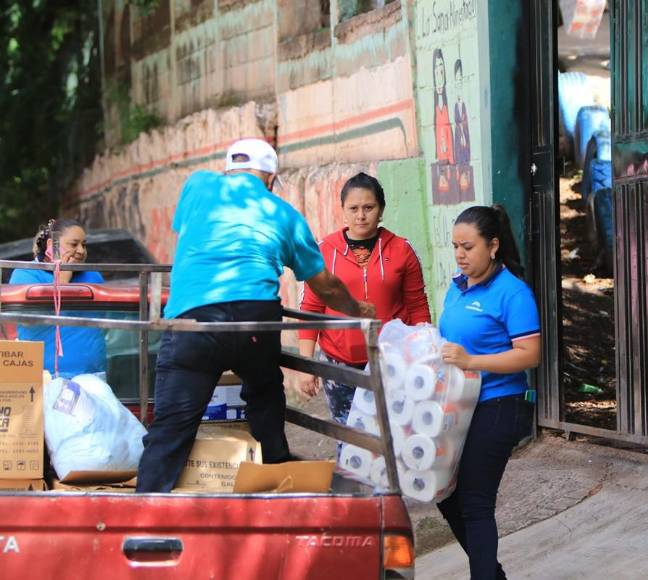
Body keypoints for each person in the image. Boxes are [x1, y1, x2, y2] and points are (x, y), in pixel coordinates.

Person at [136, 138, 375, 493]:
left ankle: (147, 507)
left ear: (228, 169)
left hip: (194, 320)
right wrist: (358, 310)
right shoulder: (283, 213)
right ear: (270, 178)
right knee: (264, 392)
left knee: (172, 425)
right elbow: (324, 286)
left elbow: (186, 231)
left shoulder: (199, 185)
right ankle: (277, 475)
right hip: (255, 318)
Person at [437, 205, 541, 580]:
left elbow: (530, 354)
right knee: (446, 495)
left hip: (501, 404)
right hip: (461, 404)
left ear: (493, 246)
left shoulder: (512, 293)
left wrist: (471, 361)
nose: (460, 255)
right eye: (455, 247)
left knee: (475, 502)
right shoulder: (458, 285)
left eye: (468, 247)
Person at [295, 172, 431, 425]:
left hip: (392, 362)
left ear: (381, 210)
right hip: (339, 364)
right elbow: (310, 309)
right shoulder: (323, 251)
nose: (361, 215)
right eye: (353, 208)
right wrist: (306, 366)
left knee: (394, 433)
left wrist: (422, 355)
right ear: (343, 211)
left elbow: (417, 306)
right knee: (350, 439)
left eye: (368, 207)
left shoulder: (402, 249)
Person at [9, 219, 106, 377]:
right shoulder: (26, 274)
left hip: (93, 375)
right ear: (51, 246)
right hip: (43, 377)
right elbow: (27, 320)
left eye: (84, 244)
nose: (81, 251)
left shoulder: (93, 276)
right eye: (74, 244)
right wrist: (62, 282)